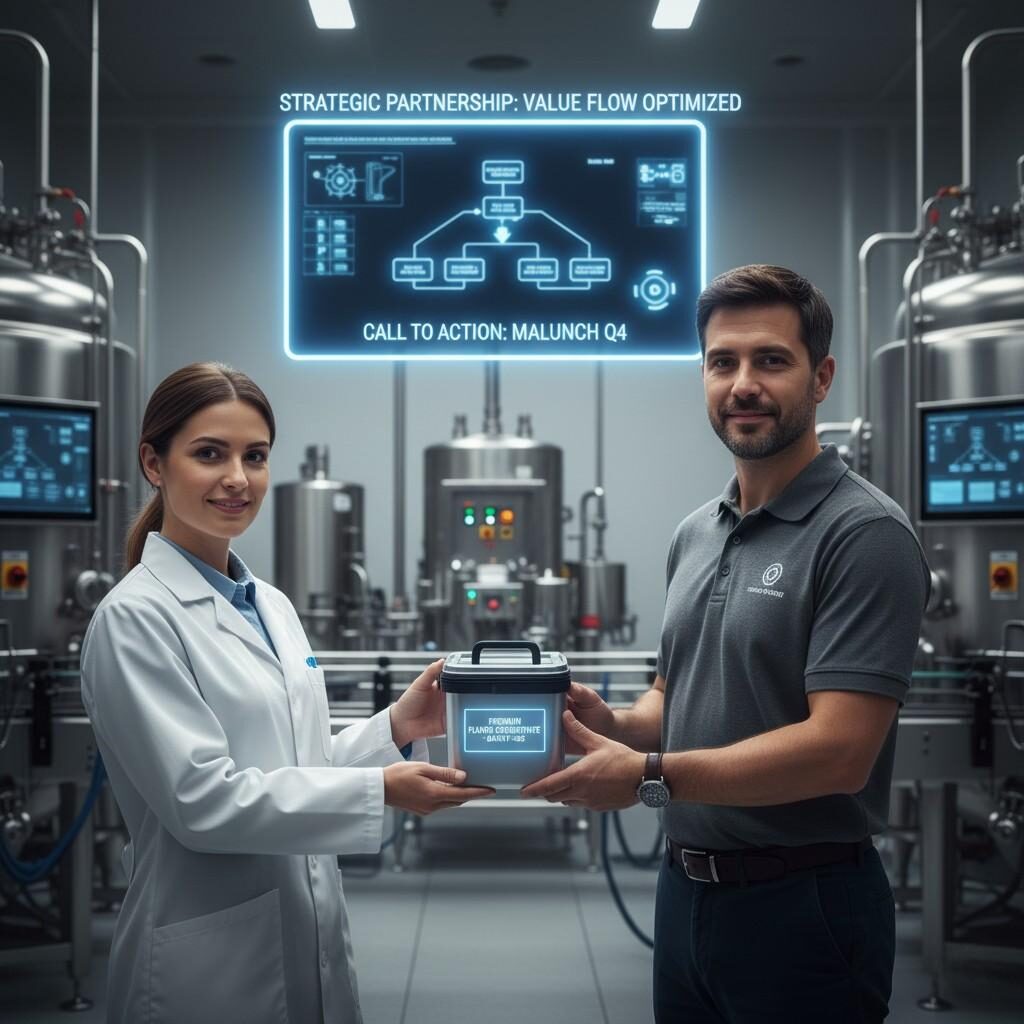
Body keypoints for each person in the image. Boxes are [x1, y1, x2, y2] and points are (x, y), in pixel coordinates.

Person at [523, 265, 930, 1022]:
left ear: (822, 377)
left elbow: (841, 752)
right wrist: (608, 724)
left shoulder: (864, 534)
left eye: (771, 360)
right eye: (722, 362)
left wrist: (648, 777)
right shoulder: (695, 533)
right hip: (685, 896)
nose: (743, 383)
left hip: (804, 904)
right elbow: (671, 697)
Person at [81, 362, 492, 1024]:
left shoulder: (268, 604)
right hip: (206, 961)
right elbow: (202, 800)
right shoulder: (135, 618)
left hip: (305, 929)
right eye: (209, 453)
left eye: (256, 456)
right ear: (154, 464)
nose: (238, 478)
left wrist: (396, 725)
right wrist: (384, 790)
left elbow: (295, 766)